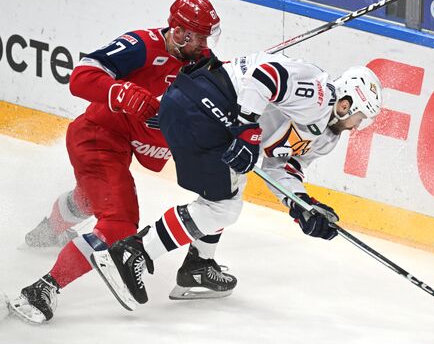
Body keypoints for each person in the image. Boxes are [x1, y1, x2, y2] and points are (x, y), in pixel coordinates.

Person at [89, 51, 384, 310]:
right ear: (345, 103)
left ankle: (198, 265)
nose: (359, 125)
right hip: (203, 103)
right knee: (223, 207)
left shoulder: (326, 136)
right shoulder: (319, 94)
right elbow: (265, 75)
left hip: (208, 109)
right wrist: (246, 127)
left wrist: (302, 206)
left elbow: (281, 167)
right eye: (361, 116)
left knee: (229, 187)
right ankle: (132, 253)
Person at [9, 0, 233, 324]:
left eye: (206, 36)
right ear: (179, 30)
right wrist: (121, 92)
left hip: (128, 142)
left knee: (91, 200)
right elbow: (81, 77)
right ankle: (41, 290)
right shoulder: (141, 44)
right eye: (197, 35)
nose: (203, 43)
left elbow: (225, 90)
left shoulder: (201, 60)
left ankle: (49, 230)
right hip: (98, 137)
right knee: (118, 224)